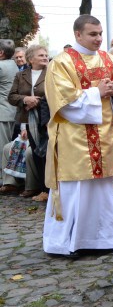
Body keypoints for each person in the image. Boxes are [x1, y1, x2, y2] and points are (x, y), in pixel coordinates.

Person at [42, 15, 113, 258]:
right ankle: (70, 241)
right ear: (78, 34)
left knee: (106, 190)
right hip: (76, 137)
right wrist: (96, 93)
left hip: (109, 136)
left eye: (100, 33)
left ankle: (109, 237)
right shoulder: (61, 63)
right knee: (76, 190)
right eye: (92, 34)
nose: (98, 38)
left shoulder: (110, 59)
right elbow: (62, 101)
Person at [7, 45, 49, 199]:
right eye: (41, 55)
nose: (45, 57)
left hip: (46, 119)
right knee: (37, 153)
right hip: (27, 119)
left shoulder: (52, 73)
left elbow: (56, 93)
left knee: (47, 154)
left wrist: (38, 101)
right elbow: (12, 96)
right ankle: (42, 189)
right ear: (31, 59)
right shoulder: (21, 75)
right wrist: (25, 99)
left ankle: (49, 190)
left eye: (46, 55)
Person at [0, 40, 19, 190]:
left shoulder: (1, 66)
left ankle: (7, 181)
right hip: (11, 112)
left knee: (2, 147)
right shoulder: (13, 64)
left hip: (3, 113)